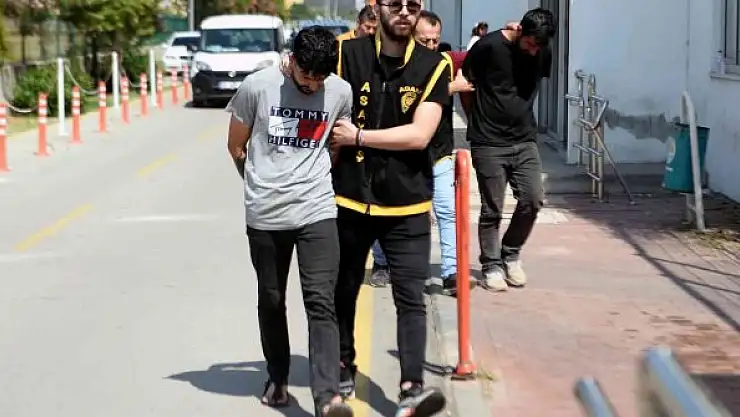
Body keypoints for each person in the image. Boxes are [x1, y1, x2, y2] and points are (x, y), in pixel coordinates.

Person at [225, 26, 354, 417]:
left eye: (320, 77)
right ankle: (278, 376)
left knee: (321, 300)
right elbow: (236, 145)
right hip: (266, 213)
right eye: (305, 75)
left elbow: (334, 145)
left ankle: (327, 398)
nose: (312, 84)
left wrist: (312, 177)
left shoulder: (341, 92)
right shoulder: (257, 86)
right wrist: (260, 183)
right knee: (272, 298)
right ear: (292, 61)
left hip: (317, 209)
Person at [330, 1, 451, 415]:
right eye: (395, 4)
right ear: (376, 6)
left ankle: (411, 387)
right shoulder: (348, 54)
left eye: (412, 5)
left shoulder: (434, 65)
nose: (403, 12)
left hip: (407, 203)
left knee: (410, 298)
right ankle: (343, 365)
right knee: (343, 290)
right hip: (348, 198)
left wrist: (358, 137)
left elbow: (419, 135)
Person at [368, 10, 474, 296]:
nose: (431, 45)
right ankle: (382, 263)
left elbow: (484, 53)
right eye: (425, 40)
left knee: (447, 211)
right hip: (400, 152)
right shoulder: (397, 65)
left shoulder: (445, 62)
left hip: (438, 152)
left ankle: (451, 272)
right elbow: (406, 100)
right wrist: (451, 88)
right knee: (386, 209)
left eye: (435, 40)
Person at [461, 8, 556, 292]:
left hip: (524, 138)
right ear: (519, 31)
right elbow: (466, 83)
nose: (533, 51)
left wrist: (536, 49)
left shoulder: (543, 51)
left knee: (533, 199)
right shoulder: (488, 46)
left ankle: (510, 254)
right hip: (488, 141)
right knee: (492, 208)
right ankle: (491, 265)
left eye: (538, 47)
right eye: (530, 44)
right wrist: (474, 119)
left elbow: (532, 83)